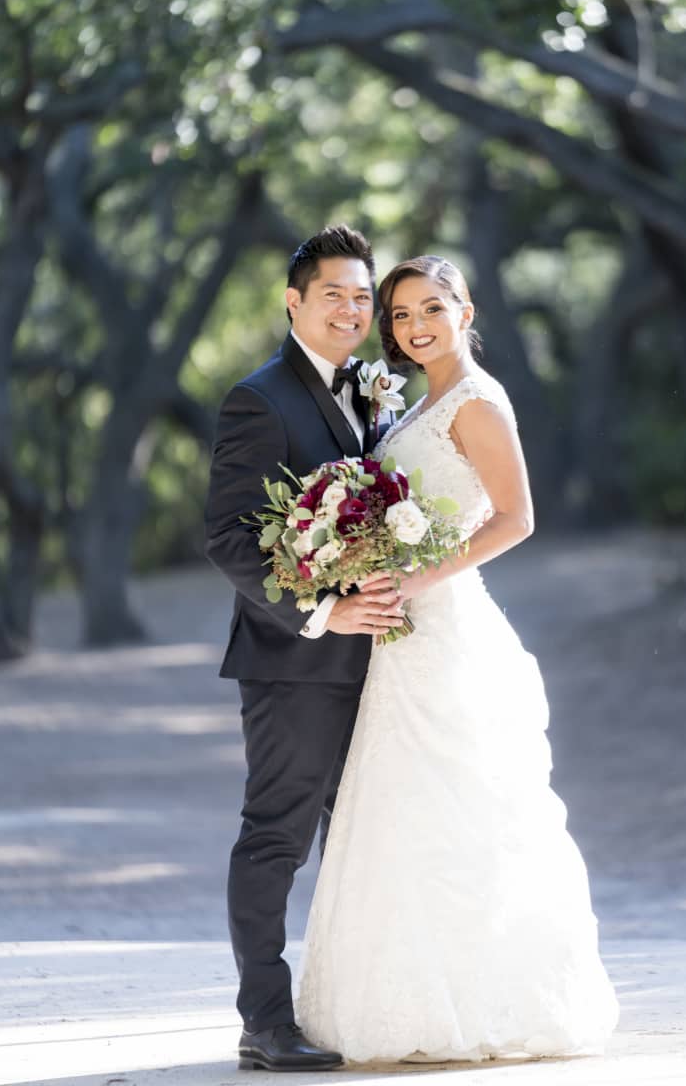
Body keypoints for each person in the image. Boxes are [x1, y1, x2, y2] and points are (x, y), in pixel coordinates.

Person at [296, 255, 620, 1063]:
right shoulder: (415, 403)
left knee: (463, 806)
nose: (414, 327)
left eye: (431, 308)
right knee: (396, 807)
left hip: (445, 624)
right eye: (401, 315)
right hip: (403, 635)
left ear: (466, 310)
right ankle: (399, 1001)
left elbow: (516, 518)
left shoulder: (476, 401)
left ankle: (482, 1002)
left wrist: (415, 575)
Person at [204, 225, 404, 1072]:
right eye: (336, 295)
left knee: (365, 837)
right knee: (276, 836)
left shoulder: (377, 392)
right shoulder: (260, 399)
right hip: (296, 661)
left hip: (389, 665)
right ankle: (264, 1020)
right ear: (293, 301)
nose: (353, 310)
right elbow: (228, 538)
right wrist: (322, 608)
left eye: (363, 296)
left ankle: (357, 1007)